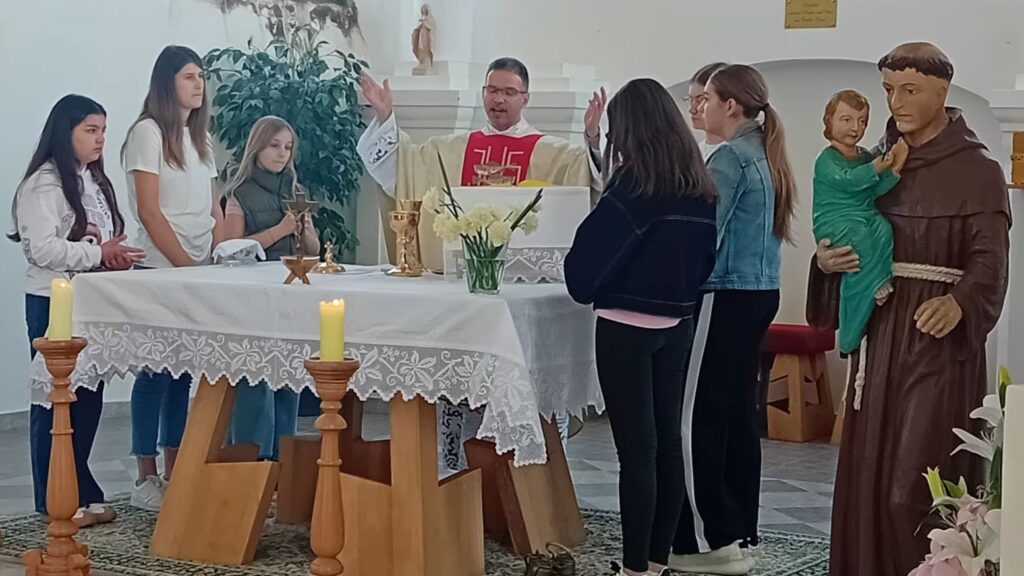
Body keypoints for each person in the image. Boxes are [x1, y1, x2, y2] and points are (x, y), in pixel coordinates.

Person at [808, 43, 1009, 576]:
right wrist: (825, 263)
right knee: (867, 478)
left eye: (910, 89)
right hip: (881, 327)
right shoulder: (877, 164)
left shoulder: (978, 170)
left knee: (912, 486)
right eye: (889, 89)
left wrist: (961, 301)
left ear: (943, 93)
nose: (895, 101)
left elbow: (991, 262)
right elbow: (840, 222)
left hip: (936, 342)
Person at [359, 56, 607, 471]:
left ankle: (536, 480)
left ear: (525, 98)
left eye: (509, 92)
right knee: (457, 384)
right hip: (462, 292)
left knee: (530, 382)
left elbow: (593, 180)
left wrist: (592, 138)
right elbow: (401, 167)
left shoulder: (556, 156)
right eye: (493, 90)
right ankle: (457, 472)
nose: (499, 100)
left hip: (525, 295)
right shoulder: (449, 150)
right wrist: (386, 117)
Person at [565, 78, 717, 576]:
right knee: (667, 444)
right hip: (677, 324)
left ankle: (632, 569)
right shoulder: (698, 187)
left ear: (629, 129)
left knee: (637, 453)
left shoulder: (635, 187)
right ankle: (654, 563)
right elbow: (705, 263)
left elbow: (584, 269)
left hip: (624, 329)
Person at [670, 64, 796, 576]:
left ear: (732, 107)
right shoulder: (762, 153)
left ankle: (707, 543)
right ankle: (739, 529)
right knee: (736, 419)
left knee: (695, 418)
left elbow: (703, 239)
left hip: (722, 296)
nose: (699, 108)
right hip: (757, 293)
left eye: (707, 99)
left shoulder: (730, 158)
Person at [10, 94, 145, 526]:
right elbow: (41, 248)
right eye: (90, 129)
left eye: (103, 130)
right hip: (52, 301)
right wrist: (94, 251)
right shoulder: (43, 184)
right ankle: (53, 497)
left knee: (88, 398)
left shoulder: (96, 181)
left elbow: (101, 238)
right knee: (55, 401)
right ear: (64, 131)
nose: (100, 138)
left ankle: (81, 487)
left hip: (91, 301)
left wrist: (113, 255)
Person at [121, 45, 225, 511]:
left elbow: (213, 205)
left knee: (182, 373)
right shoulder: (147, 133)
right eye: (188, 76)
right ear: (167, 82)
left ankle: (176, 468)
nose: (198, 84)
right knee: (155, 371)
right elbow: (149, 209)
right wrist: (186, 266)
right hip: (164, 268)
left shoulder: (199, 139)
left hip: (199, 266)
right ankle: (145, 475)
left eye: (201, 76)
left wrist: (222, 253)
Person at [222, 115, 317, 460]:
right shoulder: (238, 193)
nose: (282, 154)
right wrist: (279, 230)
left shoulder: (297, 191)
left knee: (289, 376)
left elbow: (314, 249)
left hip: (290, 288)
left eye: (288, 147)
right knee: (256, 378)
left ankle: (283, 458)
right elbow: (230, 248)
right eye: (274, 146)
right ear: (258, 147)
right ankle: (252, 456)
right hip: (252, 292)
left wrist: (304, 229)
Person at [812, 90, 909, 359]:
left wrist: (895, 169)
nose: (856, 127)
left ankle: (878, 282)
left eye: (862, 121)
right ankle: (851, 330)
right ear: (829, 121)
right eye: (846, 119)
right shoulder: (827, 159)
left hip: (863, 214)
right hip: (836, 221)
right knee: (863, 237)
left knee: (882, 229)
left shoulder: (866, 157)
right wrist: (878, 167)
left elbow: (873, 191)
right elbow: (848, 181)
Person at [685, 62, 729, 160]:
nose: (692, 109)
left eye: (701, 100)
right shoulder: (692, 153)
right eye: (691, 100)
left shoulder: (737, 152)